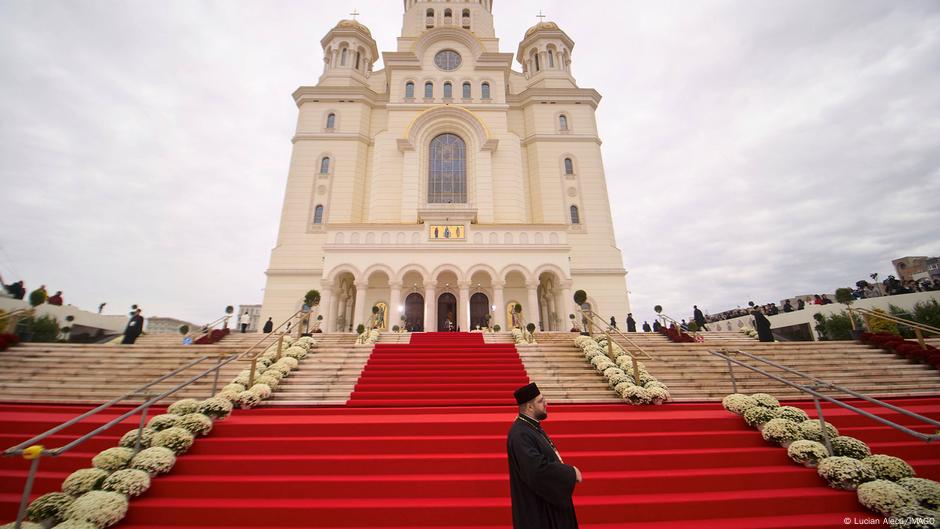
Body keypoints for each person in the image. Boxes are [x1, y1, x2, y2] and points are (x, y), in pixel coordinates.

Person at [507, 383, 580, 529]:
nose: (546, 404)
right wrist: (571, 473)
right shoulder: (520, 433)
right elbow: (535, 469)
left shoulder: (531, 427)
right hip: (537, 508)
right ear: (529, 407)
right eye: (541, 401)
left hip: (544, 503)